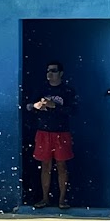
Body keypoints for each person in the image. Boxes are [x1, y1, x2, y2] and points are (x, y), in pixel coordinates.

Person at [27, 59, 77, 208]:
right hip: (43, 133)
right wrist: (35, 106)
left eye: (53, 71)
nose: (50, 73)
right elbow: (29, 106)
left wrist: (54, 106)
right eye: (48, 70)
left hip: (61, 133)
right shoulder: (41, 89)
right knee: (45, 166)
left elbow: (73, 111)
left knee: (62, 166)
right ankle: (44, 198)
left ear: (61, 73)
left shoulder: (67, 91)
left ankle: (62, 200)